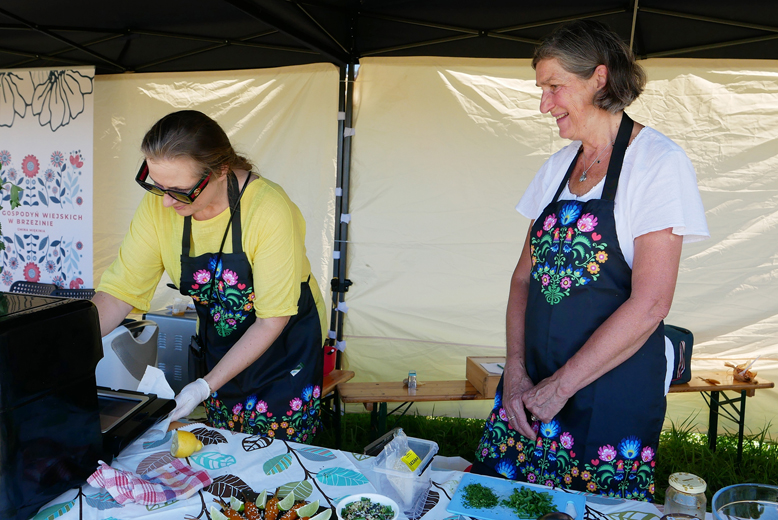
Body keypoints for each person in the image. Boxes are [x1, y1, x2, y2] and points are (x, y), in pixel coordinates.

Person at [473, 20, 709, 501]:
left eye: (554, 87)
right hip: (532, 383)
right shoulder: (555, 169)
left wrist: (561, 388)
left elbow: (650, 305)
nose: (544, 105)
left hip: (608, 389)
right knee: (504, 504)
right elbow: (523, 281)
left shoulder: (658, 164)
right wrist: (515, 371)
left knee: (590, 508)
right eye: (542, 90)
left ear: (599, 79)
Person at [93, 110, 327, 443]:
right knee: (225, 446)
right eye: (156, 185)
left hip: (284, 347)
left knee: (275, 449)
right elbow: (118, 293)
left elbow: (272, 320)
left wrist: (204, 385)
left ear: (220, 171)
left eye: (180, 190)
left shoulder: (268, 210)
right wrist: (69, 349)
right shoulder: (160, 205)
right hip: (222, 341)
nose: (166, 202)